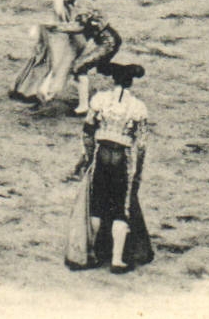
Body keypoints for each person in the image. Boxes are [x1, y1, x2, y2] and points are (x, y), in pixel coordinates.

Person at [65, 63, 153, 274]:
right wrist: (137, 171)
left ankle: (93, 254)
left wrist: (87, 157)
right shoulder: (138, 107)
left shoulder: (100, 100)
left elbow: (87, 131)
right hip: (123, 158)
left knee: (97, 204)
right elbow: (141, 145)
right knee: (121, 209)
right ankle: (116, 260)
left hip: (101, 155)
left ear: (113, 80)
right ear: (131, 82)